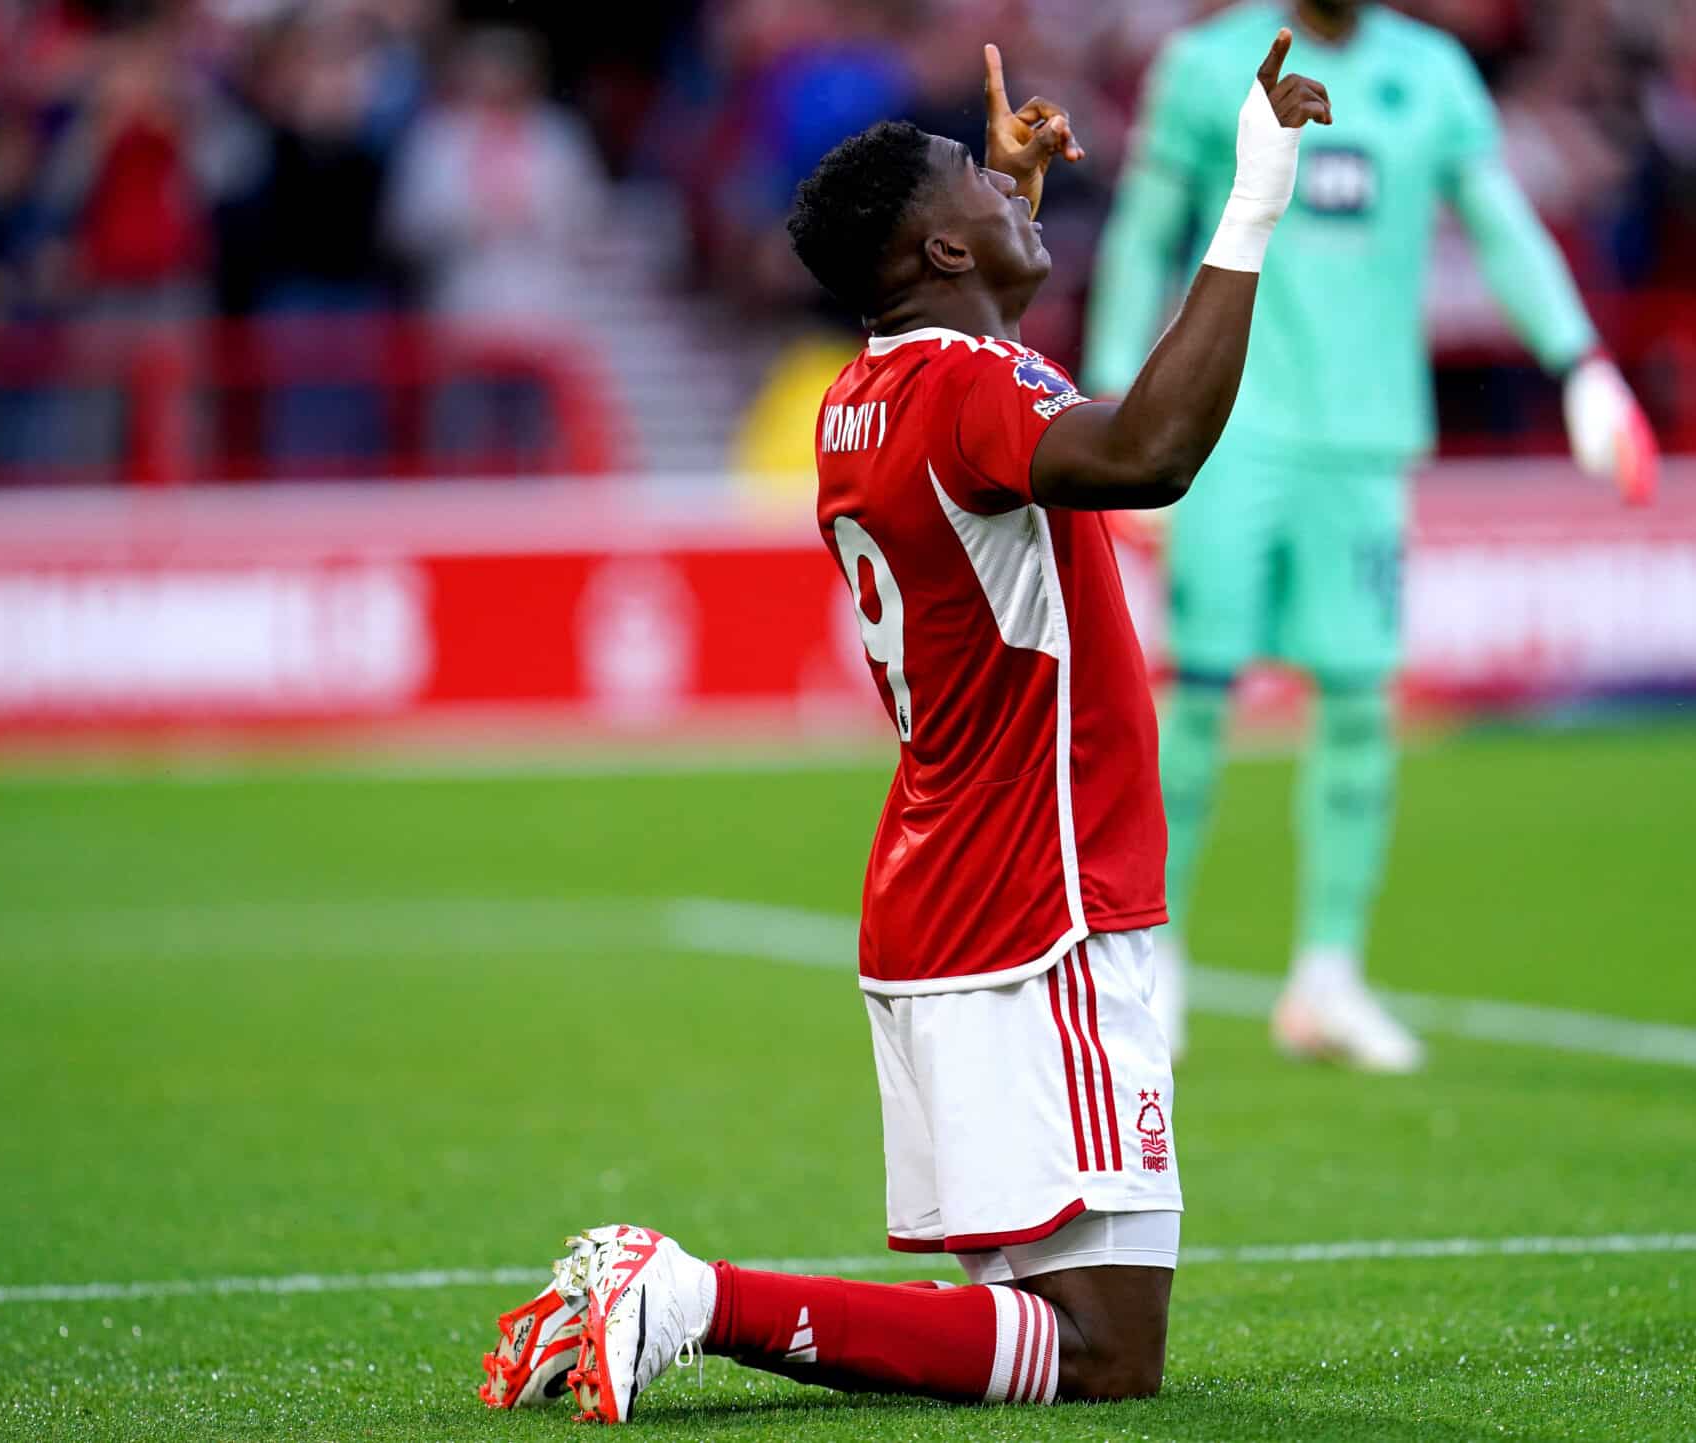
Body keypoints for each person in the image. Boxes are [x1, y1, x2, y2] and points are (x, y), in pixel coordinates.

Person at [475, 32, 1330, 1424]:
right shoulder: (966, 395)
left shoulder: (864, 401)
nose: (1011, 195)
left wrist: (997, 204)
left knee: (1046, 1330)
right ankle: (687, 1293)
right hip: (1040, 896)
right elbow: (1148, 453)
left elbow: (977, 373)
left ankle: (686, 1298)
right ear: (932, 256)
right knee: (1108, 1349)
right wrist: (1257, 197)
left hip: (944, 895)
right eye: (976, 192)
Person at [1084, 0, 1659, 1073]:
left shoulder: (1429, 73)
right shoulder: (1208, 64)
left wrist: (1579, 361)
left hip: (1364, 436)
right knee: (1195, 693)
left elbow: (1499, 221)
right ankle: (1150, 959)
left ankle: (1326, 976)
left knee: (1355, 699)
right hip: (1229, 425)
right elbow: (1142, 226)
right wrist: (1120, 404)